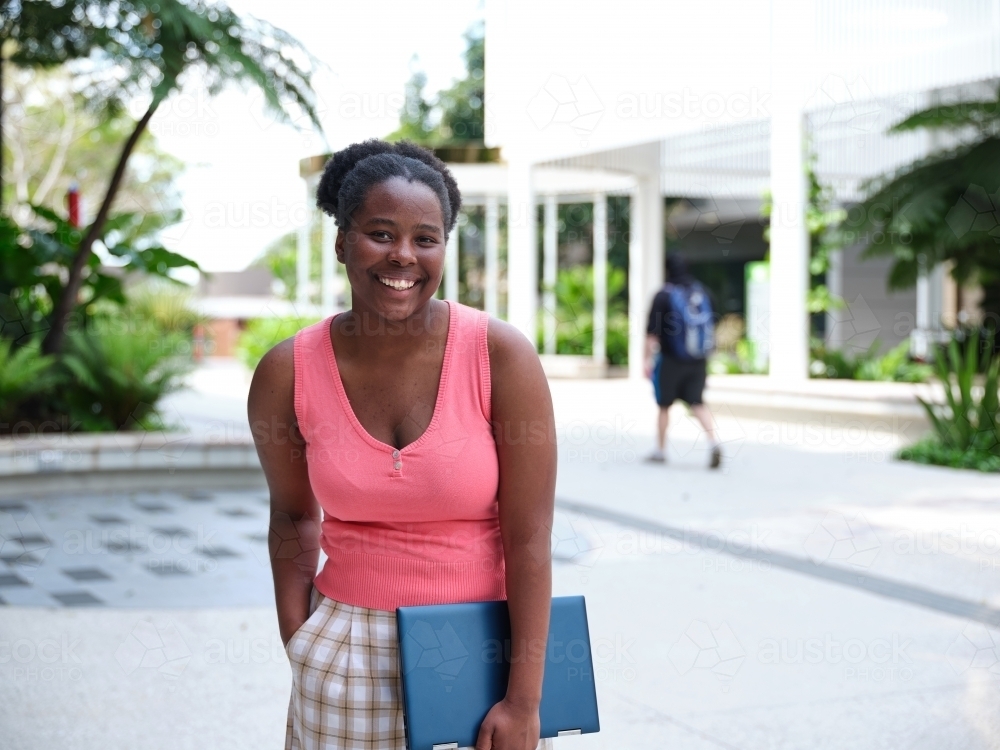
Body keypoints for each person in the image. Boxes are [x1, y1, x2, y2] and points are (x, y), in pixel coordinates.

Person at [247, 140, 556, 750]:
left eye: (426, 237)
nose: (404, 256)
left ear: (445, 247)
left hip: (481, 653)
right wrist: (299, 637)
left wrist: (524, 699)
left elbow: (529, 540)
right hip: (343, 655)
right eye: (381, 233)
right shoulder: (288, 371)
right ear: (341, 243)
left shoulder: (502, 356)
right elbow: (290, 514)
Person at [643, 253, 721, 468]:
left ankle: (660, 450)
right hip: (698, 359)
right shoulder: (702, 292)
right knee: (697, 402)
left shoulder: (663, 296)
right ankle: (714, 442)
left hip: (670, 360)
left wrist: (646, 361)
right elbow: (713, 324)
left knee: (664, 405)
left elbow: (651, 335)